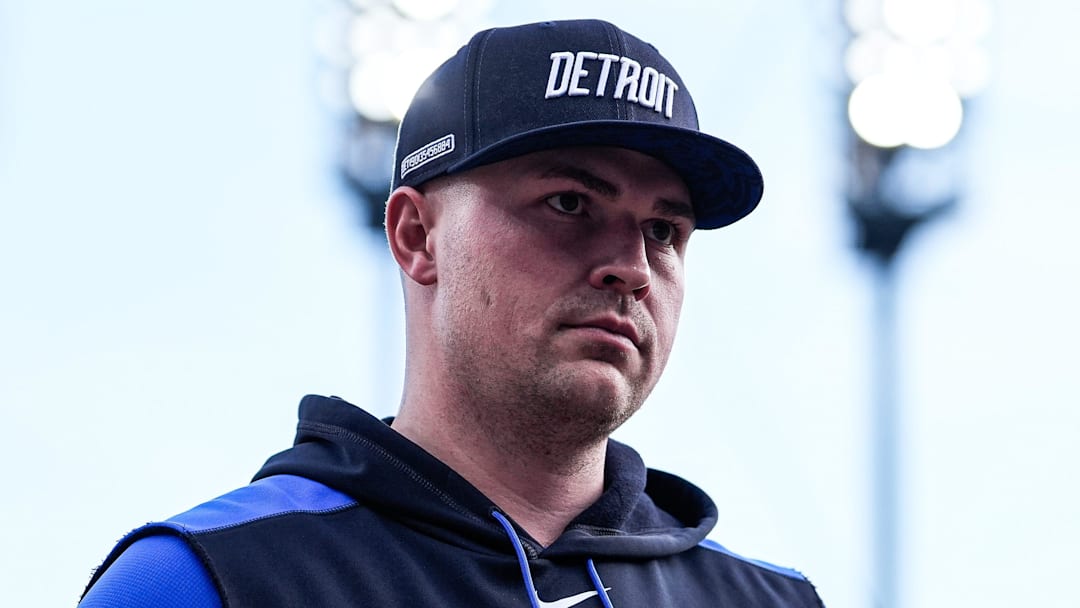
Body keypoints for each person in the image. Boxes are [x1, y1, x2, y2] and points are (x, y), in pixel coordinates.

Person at [79, 19, 824, 607]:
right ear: (416, 235)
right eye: (569, 203)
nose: (630, 266)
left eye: (664, 230)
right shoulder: (209, 581)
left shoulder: (772, 601)